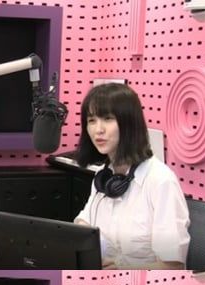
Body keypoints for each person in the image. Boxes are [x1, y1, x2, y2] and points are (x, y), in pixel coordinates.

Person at [73, 83, 190, 269]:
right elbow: (84, 222)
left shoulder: (161, 181)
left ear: (129, 124)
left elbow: (172, 266)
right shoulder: (103, 177)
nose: (98, 130)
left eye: (108, 119)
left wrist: (121, 268)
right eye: (92, 120)